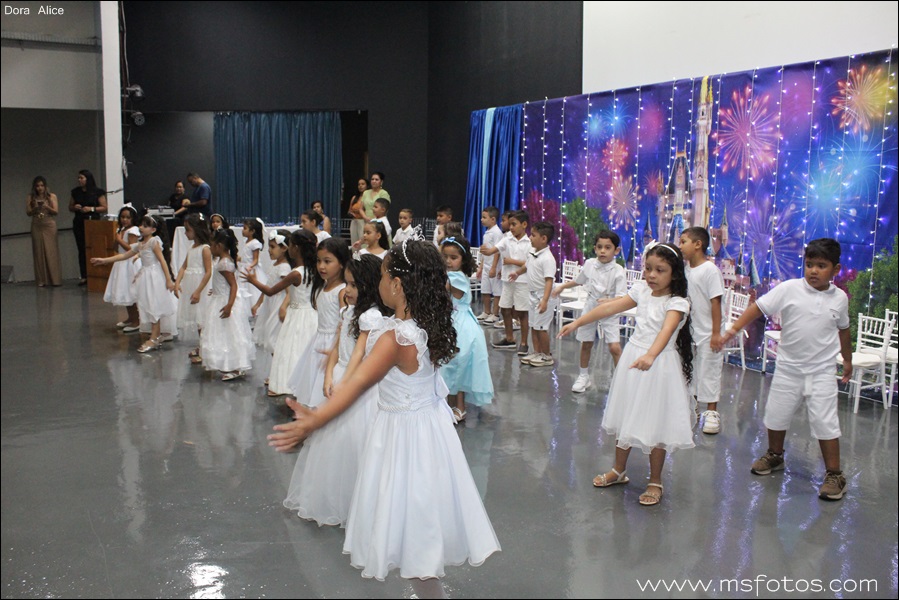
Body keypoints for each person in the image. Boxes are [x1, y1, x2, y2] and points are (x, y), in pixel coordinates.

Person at [268, 240, 501, 581]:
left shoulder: (394, 339)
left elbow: (358, 384)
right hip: (431, 430)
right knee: (423, 516)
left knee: (409, 518)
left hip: (403, 436)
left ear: (397, 284)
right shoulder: (428, 322)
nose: (377, 283)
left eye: (381, 275)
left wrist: (315, 419)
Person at [558, 242, 695, 507]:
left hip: (659, 365)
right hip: (634, 358)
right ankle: (619, 470)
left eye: (660, 270)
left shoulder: (677, 302)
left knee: (656, 422)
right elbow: (610, 308)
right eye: (648, 268)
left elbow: (666, 330)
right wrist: (578, 322)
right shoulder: (642, 290)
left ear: (675, 274)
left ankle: (655, 480)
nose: (651, 275)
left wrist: (651, 355)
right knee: (625, 413)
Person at [721, 238, 852, 501]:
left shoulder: (839, 299)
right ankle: (775, 455)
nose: (813, 271)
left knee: (825, 422)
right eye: (809, 264)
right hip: (788, 368)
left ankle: (834, 474)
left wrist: (847, 361)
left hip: (822, 372)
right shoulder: (790, 289)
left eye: (821, 266)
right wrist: (734, 328)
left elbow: (844, 330)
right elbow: (758, 307)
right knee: (776, 415)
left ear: (835, 269)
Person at [282, 254, 388, 526]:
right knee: (332, 444)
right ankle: (332, 498)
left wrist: (345, 384)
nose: (348, 290)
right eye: (347, 284)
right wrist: (329, 375)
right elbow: (337, 348)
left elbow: (359, 354)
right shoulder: (348, 312)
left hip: (358, 384)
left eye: (354, 285)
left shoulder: (372, 317)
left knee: (355, 443)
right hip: (340, 376)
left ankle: (357, 503)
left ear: (369, 286)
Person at [244, 229, 318, 397]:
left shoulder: (295, 273)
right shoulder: (313, 270)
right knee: (302, 349)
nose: (288, 249)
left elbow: (271, 291)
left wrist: (253, 281)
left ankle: (292, 383)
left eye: (290, 245)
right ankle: (304, 384)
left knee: (292, 349)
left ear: (296, 248)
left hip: (297, 315)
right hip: (311, 314)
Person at [552, 231, 627, 393]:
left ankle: (621, 381)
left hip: (610, 308)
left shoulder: (618, 270)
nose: (603, 251)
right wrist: (562, 286)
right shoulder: (589, 264)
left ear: (616, 250)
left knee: (614, 347)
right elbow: (579, 281)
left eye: (607, 247)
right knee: (586, 343)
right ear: (595, 248)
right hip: (591, 304)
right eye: (599, 247)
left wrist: (609, 301)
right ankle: (583, 376)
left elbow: (622, 296)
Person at [91, 216, 176, 353]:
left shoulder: (154, 242)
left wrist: (168, 279)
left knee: (154, 305)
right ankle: (155, 335)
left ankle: (154, 338)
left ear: (153, 230)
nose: (141, 227)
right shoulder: (140, 244)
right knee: (147, 304)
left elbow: (162, 261)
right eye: (141, 225)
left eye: (145, 226)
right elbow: (124, 256)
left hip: (154, 277)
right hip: (145, 276)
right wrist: (104, 260)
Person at [287, 238, 349, 407]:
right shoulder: (322, 287)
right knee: (313, 381)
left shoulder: (342, 291)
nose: (321, 266)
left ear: (341, 263)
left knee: (327, 382)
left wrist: (336, 349)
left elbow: (344, 324)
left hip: (332, 343)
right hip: (318, 340)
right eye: (318, 261)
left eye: (327, 261)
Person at [441, 235, 494, 422]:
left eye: (453, 257)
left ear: (463, 260)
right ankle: (448, 405)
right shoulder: (449, 275)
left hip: (460, 325)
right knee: (449, 366)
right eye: (445, 257)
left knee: (457, 366)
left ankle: (459, 407)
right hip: (451, 321)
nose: (448, 261)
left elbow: (445, 289)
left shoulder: (457, 278)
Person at [679, 227, 725, 434]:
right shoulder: (686, 270)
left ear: (698, 244)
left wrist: (716, 333)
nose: (680, 246)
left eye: (683, 242)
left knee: (709, 370)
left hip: (708, 332)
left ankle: (712, 412)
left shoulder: (710, 270)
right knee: (692, 370)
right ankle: (692, 408)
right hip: (691, 331)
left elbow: (716, 302)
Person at [200, 228, 255, 381]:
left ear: (219, 246)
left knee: (230, 334)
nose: (210, 248)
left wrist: (229, 305)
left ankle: (237, 366)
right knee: (224, 335)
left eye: (212, 245)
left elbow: (233, 285)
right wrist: (216, 289)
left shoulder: (224, 263)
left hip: (225, 301)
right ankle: (228, 363)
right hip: (220, 297)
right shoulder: (224, 260)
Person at [482, 210, 531, 352]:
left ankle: (524, 343)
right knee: (504, 308)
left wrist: (512, 261)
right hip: (507, 280)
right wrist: (486, 251)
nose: (511, 227)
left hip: (522, 281)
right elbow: (494, 250)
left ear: (524, 225)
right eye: (510, 224)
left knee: (522, 312)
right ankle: (509, 339)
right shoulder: (507, 238)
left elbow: (530, 263)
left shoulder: (529, 242)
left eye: (514, 224)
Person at [511, 221, 558, 367]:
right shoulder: (533, 253)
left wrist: (545, 300)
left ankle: (546, 356)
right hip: (532, 295)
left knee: (541, 328)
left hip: (543, 296)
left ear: (543, 239)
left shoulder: (548, 258)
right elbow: (526, 266)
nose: (530, 238)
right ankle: (537, 352)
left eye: (533, 235)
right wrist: (517, 273)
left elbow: (549, 281)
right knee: (534, 325)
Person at [173, 214, 213, 363]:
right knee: (197, 319)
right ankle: (202, 346)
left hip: (200, 286)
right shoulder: (192, 247)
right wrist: (177, 282)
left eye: (188, 230)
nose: (185, 233)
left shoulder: (205, 249)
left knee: (202, 319)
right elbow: (184, 266)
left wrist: (198, 291)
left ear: (197, 230)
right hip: (191, 285)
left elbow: (208, 272)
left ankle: (205, 349)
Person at [251, 230, 292, 362]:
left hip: (278, 305)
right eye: (269, 246)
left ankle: (280, 368)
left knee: (274, 338)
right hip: (271, 303)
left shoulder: (284, 268)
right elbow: (268, 287)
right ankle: (277, 368)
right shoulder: (275, 264)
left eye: (273, 247)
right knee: (271, 338)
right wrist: (258, 303)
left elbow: (289, 292)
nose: (269, 250)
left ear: (284, 248)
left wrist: (283, 307)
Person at [102, 205, 141, 330]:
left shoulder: (133, 230)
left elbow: (132, 249)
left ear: (133, 219)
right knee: (125, 292)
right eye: (123, 217)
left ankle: (136, 321)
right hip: (121, 262)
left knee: (131, 292)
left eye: (128, 217)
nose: (125, 220)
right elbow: (115, 248)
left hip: (129, 263)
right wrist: (116, 239)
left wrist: (119, 240)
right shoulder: (121, 230)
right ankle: (131, 318)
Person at [70, 169, 107, 284]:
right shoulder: (75, 192)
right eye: (78, 178)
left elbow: (104, 207)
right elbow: (70, 206)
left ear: (88, 179)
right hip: (79, 222)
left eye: (82, 178)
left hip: (92, 221)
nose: (79, 180)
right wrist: (75, 207)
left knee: (94, 247)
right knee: (81, 249)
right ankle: (84, 275)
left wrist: (91, 209)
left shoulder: (97, 192)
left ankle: (96, 273)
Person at [26, 176, 62, 287]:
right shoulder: (31, 197)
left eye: (42, 185)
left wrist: (47, 207)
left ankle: (55, 280)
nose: (40, 188)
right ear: (34, 187)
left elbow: (56, 211)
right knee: (38, 251)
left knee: (51, 251)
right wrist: (35, 208)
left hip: (49, 224)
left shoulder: (52, 196)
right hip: (37, 223)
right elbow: (28, 212)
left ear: (45, 186)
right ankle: (41, 280)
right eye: (37, 186)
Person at [475, 207, 503, 324]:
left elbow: (497, 251)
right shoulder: (487, 232)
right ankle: (486, 311)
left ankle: (495, 314)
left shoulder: (497, 233)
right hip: (486, 265)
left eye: (484, 217)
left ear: (493, 219)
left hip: (494, 266)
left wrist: (493, 267)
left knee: (496, 291)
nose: (481, 220)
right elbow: (484, 251)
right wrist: (481, 267)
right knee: (485, 289)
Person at [239, 218, 267, 305]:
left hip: (250, 269)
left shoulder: (255, 243)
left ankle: (253, 305)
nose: (242, 230)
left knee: (252, 290)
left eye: (245, 228)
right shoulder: (246, 241)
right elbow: (245, 256)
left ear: (252, 231)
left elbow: (255, 259)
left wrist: (250, 266)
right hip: (244, 268)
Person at [347, 178, 369, 245]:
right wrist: (351, 214)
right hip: (354, 221)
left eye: (363, 184)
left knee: (363, 242)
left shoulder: (368, 198)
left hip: (363, 221)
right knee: (354, 242)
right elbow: (349, 211)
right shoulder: (354, 198)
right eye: (359, 184)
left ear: (367, 186)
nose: (360, 186)